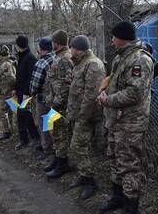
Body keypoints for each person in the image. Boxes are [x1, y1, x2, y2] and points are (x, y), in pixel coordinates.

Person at [97, 21, 153, 214]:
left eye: (113, 37)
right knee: (115, 158)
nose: (111, 40)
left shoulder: (139, 59)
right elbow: (116, 83)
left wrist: (107, 99)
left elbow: (135, 93)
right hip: (117, 120)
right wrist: (104, 91)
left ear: (121, 37)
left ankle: (132, 209)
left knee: (128, 164)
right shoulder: (122, 57)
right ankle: (118, 198)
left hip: (131, 122)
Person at [66, 35, 105, 200]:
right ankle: (83, 176)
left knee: (78, 146)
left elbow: (91, 95)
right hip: (78, 114)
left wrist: (82, 116)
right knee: (81, 147)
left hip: (86, 115)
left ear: (78, 49)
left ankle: (90, 181)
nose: (70, 51)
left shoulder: (93, 65)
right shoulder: (81, 63)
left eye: (72, 48)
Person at [44, 29, 74, 179]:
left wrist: (56, 104)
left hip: (60, 105)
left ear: (56, 43)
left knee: (60, 134)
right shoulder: (60, 57)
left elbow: (64, 84)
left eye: (53, 41)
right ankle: (57, 159)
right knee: (55, 133)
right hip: (55, 103)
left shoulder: (63, 59)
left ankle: (63, 164)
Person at [29, 37, 55, 159]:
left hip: (42, 99)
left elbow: (35, 83)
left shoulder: (42, 62)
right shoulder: (55, 59)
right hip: (55, 99)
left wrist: (31, 92)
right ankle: (51, 146)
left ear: (40, 48)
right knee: (51, 124)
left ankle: (47, 149)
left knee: (43, 124)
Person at [13, 35, 40, 150]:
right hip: (20, 91)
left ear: (19, 46)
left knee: (25, 113)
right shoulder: (22, 56)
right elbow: (19, 75)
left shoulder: (30, 58)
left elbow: (30, 77)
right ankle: (23, 138)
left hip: (25, 93)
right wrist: (15, 88)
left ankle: (34, 137)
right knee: (20, 115)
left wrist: (26, 93)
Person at [0, 46, 17, 140]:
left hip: (6, 92)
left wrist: (13, 88)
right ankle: (10, 129)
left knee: (1, 112)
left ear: (0, 55)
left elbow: (11, 78)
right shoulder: (8, 63)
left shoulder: (5, 65)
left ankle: (7, 131)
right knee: (9, 112)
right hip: (7, 91)